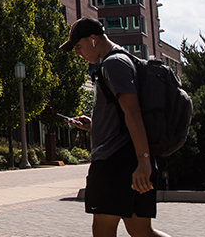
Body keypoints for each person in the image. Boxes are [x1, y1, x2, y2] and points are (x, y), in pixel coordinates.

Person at [61, 17, 171, 237]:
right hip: (128, 158)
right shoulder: (123, 59)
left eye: (79, 46)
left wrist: (143, 162)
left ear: (93, 40)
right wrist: (95, 125)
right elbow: (124, 115)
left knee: (103, 230)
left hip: (116, 163)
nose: (78, 53)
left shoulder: (113, 63)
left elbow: (133, 113)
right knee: (141, 231)